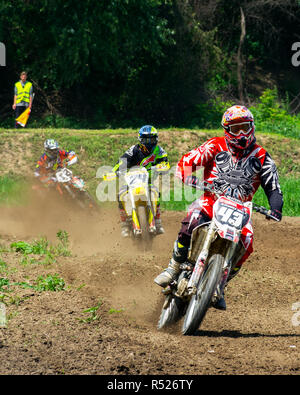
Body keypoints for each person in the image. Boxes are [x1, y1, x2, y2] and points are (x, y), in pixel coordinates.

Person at [154, 105, 283, 310]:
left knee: (247, 243)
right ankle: (174, 267)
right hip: (211, 201)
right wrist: (187, 176)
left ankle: (220, 285)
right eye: (235, 128)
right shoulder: (215, 145)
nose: (240, 133)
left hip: (240, 211)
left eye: (244, 127)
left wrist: (276, 208)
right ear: (226, 130)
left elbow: (273, 187)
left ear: (252, 127)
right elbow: (188, 161)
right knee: (193, 220)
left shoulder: (263, 157)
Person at [112, 125, 170, 237]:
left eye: (151, 139)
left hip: (147, 181)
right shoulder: (133, 150)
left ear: (156, 139)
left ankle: (157, 222)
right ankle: (124, 225)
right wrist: (115, 171)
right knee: (120, 195)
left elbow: (165, 163)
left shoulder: (159, 150)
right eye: (146, 139)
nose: (148, 142)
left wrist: (161, 167)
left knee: (155, 193)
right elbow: (121, 162)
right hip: (132, 181)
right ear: (140, 139)